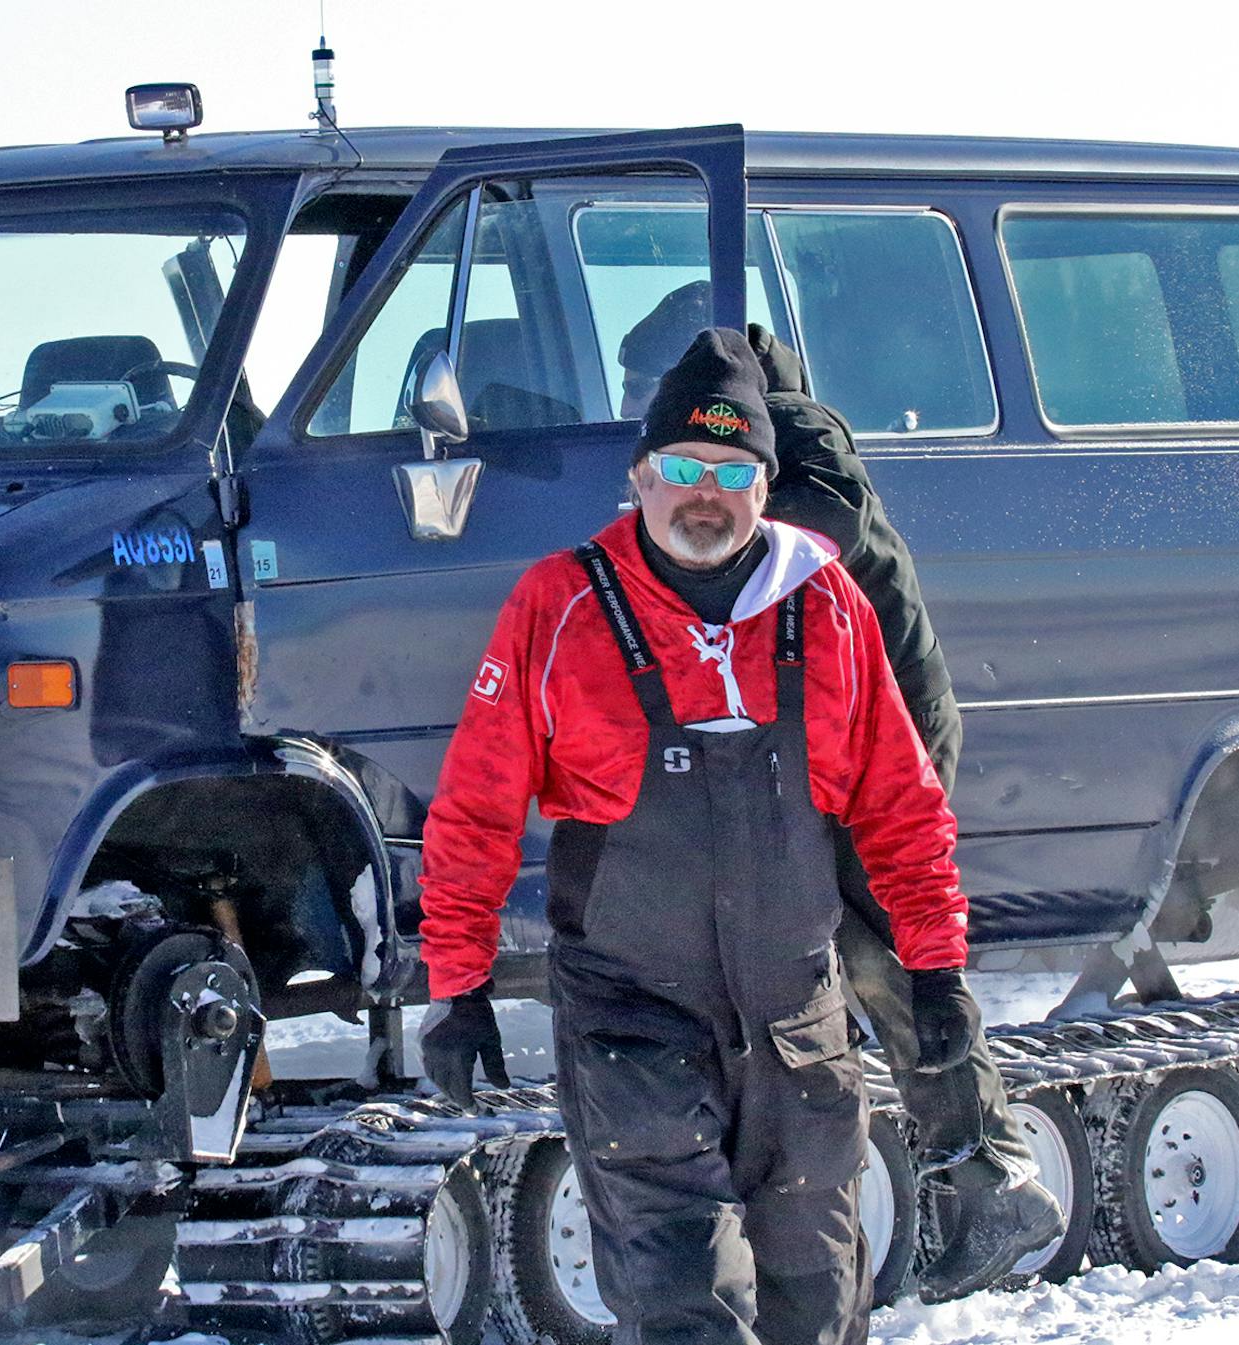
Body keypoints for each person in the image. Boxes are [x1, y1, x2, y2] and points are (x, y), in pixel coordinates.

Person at [417, 328, 979, 1344]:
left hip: (797, 1022)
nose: (703, 493)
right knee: (687, 1304)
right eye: (682, 467)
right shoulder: (560, 604)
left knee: (817, 1306)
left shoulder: (830, 605)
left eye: (731, 470)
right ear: (639, 474)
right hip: (635, 1021)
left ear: (766, 485)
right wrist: (456, 987)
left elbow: (903, 805)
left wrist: (936, 972)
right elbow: (477, 807)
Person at [622, 285, 1062, 1301]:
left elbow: (830, 518)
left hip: (884, 743)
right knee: (856, 954)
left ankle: (992, 1170)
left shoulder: (801, 436)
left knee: (880, 952)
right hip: (846, 742)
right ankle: (982, 1172)